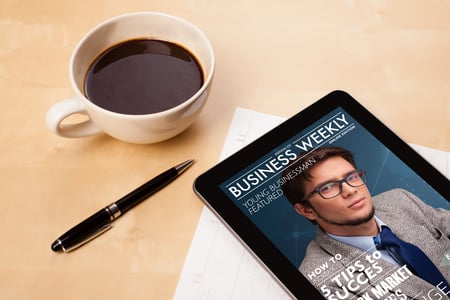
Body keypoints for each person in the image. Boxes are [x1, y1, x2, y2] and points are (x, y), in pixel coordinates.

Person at [282, 146, 450, 299]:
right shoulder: (319, 282)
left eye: (352, 177)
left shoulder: (398, 199)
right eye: (327, 187)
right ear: (306, 210)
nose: (350, 190)